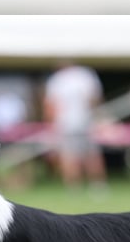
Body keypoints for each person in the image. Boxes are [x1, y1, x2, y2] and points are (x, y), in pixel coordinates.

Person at [43, 61, 107, 189]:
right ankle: (97, 186)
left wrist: (52, 124)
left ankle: (74, 187)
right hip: (84, 121)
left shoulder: (57, 79)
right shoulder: (86, 75)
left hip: (68, 123)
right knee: (89, 154)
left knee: (71, 155)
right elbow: (94, 99)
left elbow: (51, 105)